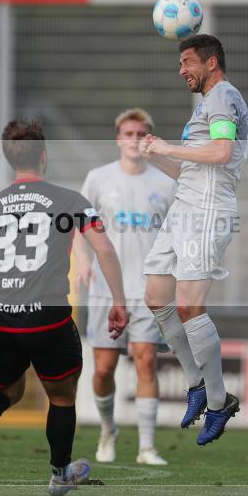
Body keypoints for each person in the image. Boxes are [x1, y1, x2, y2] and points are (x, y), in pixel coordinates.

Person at [0, 120, 128, 496]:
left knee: (5, 389)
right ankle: (60, 475)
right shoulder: (71, 200)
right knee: (60, 396)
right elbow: (104, 248)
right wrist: (119, 301)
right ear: (44, 155)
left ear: (10, 160)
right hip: (47, 318)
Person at [139, 34, 248, 446]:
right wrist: (160, 156)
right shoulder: (207, 105)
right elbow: (191, 170)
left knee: (188, 304)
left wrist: (169, 146)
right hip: (185, 207)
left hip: (207, 212)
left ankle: (219, 400)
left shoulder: (222, 97)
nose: (181, 69)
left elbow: (221, 153)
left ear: (211, 63)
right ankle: (197, 383)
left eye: (187, 62)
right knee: (156, 294)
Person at [73, 108, 176, 465]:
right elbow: (77, 225)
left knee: (146, 361)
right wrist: (83, 261)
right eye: (128, 133)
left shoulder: (165, 183)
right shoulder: (99, 179)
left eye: (141, 134)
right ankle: (107, 429)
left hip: (148, 290)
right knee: (103, 369)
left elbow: (178, 231)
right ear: (118, 138)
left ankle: (147, 446)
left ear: (149, 139)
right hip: (105, 290)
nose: (134, 139)